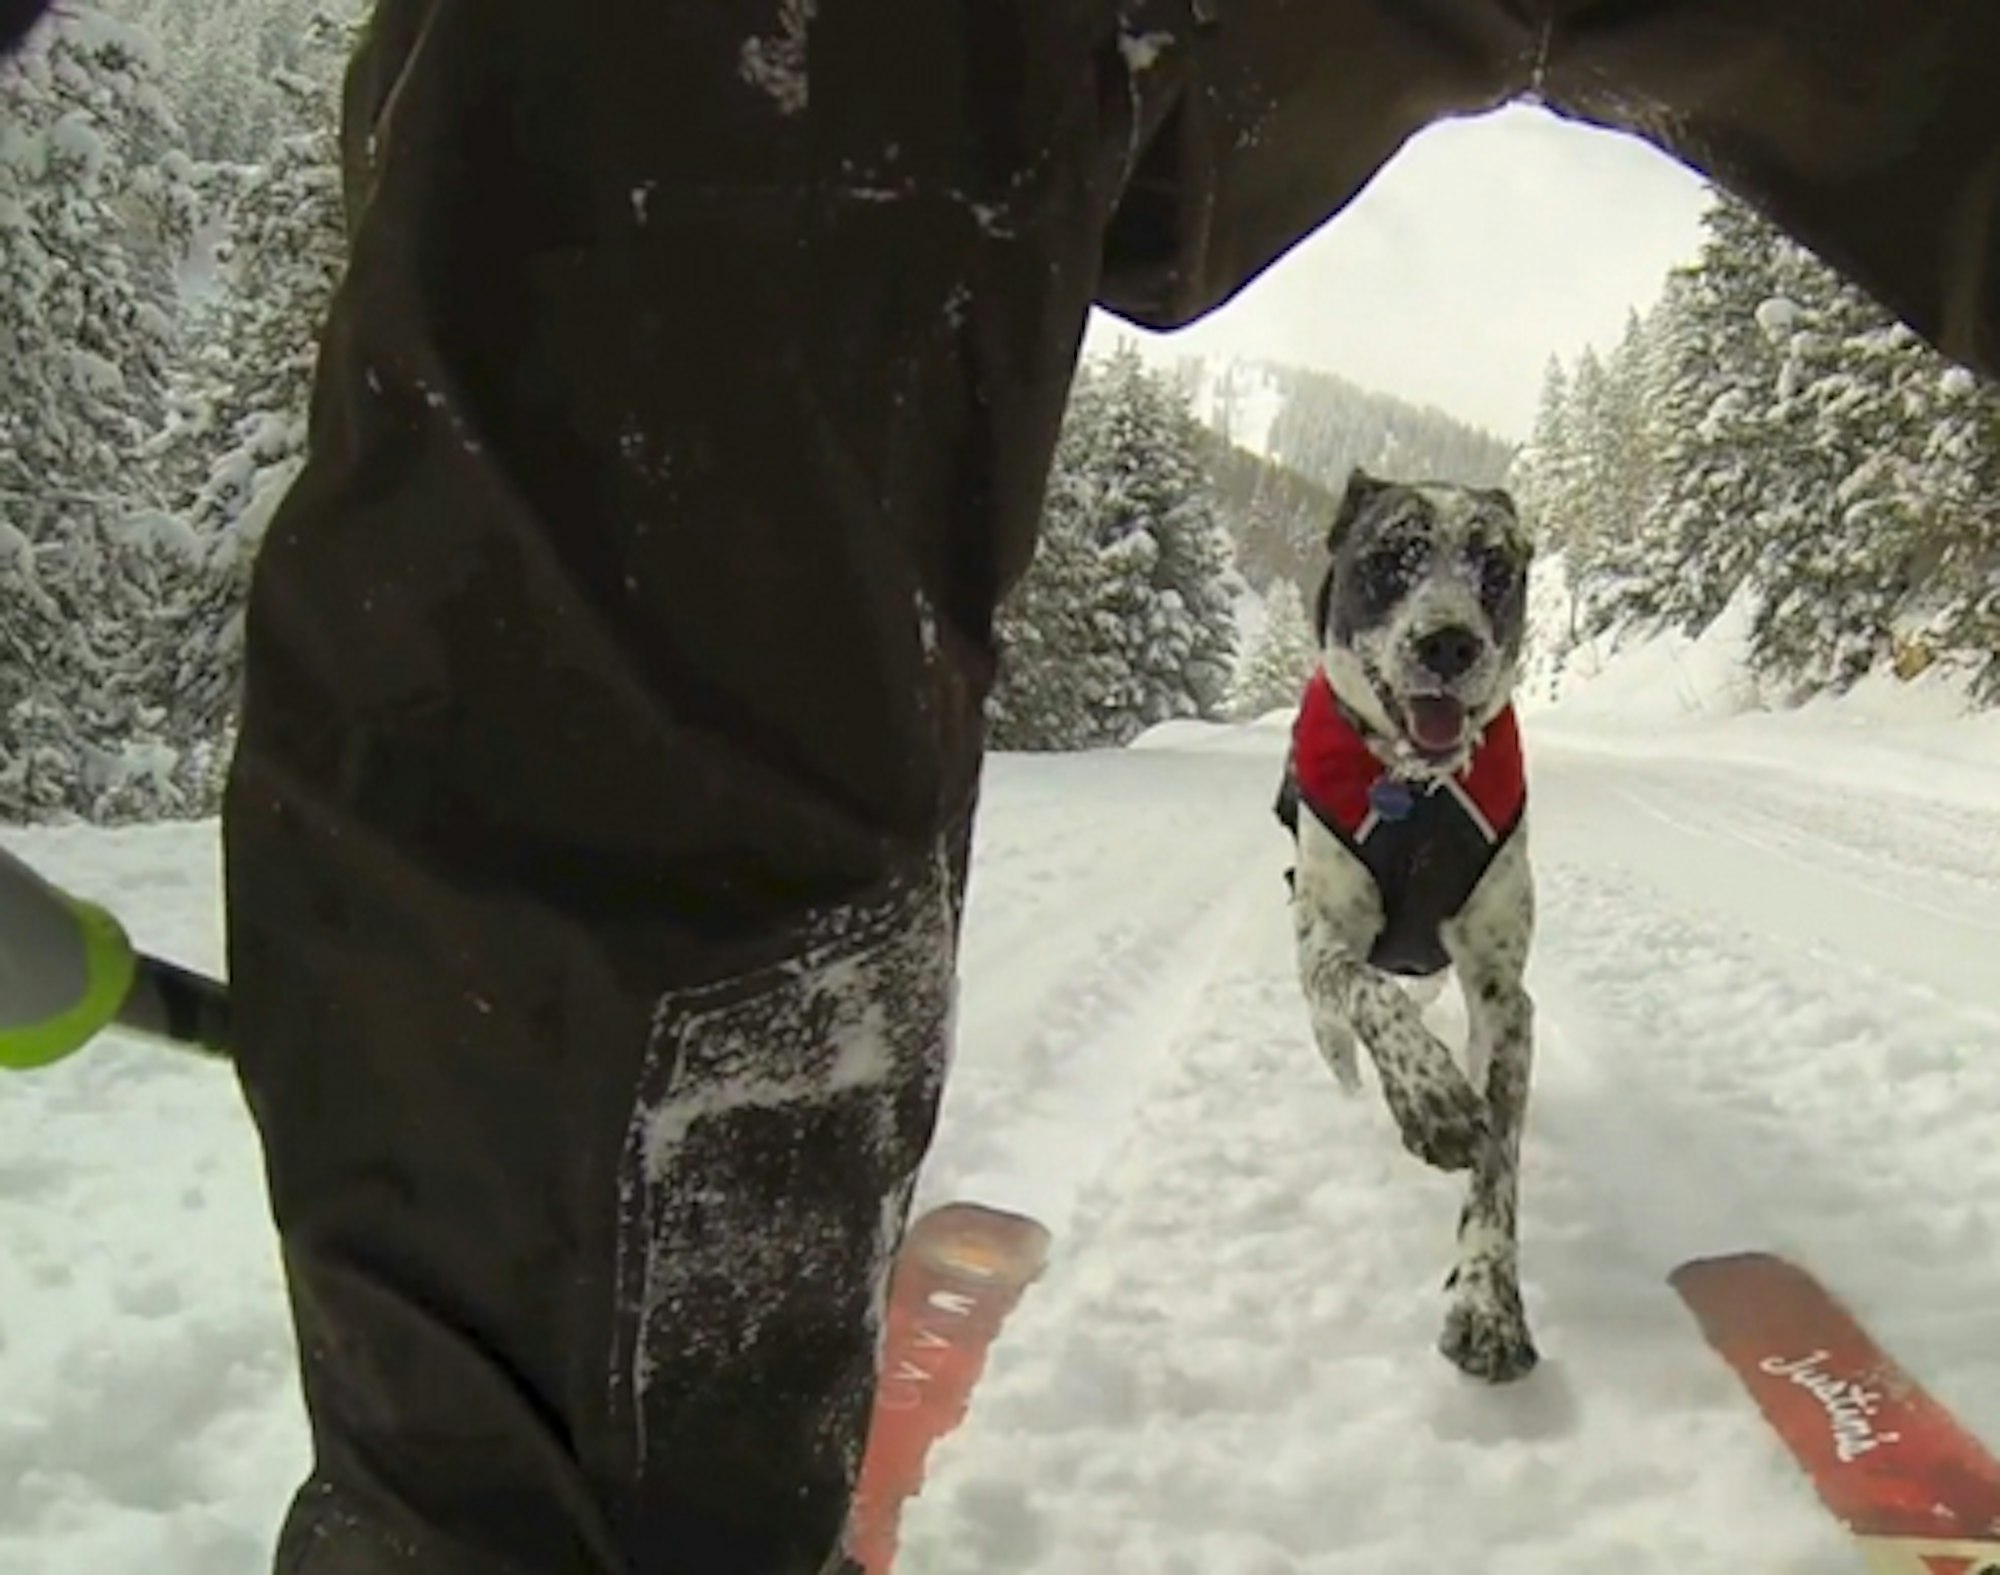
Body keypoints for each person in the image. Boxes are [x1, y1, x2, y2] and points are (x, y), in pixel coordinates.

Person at [3, 2, 1997, 1571]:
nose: (1449, 622)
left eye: (1483, 586)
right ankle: (576, 1481)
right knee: (695, 182)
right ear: (1339, 592)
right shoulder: (1333, 756)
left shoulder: (1489, 766)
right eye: (1405, 579)